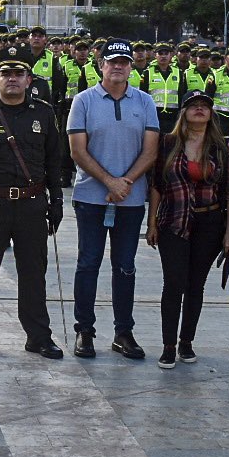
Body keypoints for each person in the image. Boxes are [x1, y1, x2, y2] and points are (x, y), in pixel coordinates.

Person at [0, 60, 66, 359]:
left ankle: (38, 336)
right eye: (6, 74)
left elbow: (54, 161)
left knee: (33, 273)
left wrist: (56, 201)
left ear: (29, 80)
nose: (13, 79)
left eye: (19, 74)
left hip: (31, 205)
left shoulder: (43, 113)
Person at [66, 39, 160, 360]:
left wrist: (126, 183)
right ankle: (85, 330)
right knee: (88, 263)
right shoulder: (83, 101)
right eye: (112, 61)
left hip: (130, 201)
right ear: (100, 65)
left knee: (125, 267)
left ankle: (124, 332)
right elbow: (77, 150)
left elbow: (151, 150)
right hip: (91, 198)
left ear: (132, 66)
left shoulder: (145, 102)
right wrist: (109, 181)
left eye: (124, 61)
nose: (118, 66)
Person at [146, 90, 229, 369]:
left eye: (205, 106)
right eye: (193, 106)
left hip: (209, 223)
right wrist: (151, 223)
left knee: (195, 285)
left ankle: (187, 342)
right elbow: (156, 186)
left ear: (211, 114)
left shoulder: (223, 147)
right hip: (173, 221)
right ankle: (168, 345)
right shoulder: (168, 143)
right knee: (174, 283)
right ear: (183, 113)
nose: (199, 110)